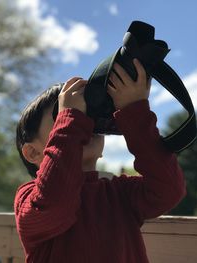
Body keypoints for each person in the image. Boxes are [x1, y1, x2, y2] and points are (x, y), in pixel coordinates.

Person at [14, 58, 186, 263]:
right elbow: (56, 203)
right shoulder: (28, 198)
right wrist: (71, 119)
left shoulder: (120, 193)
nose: (84, 123)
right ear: (33, 153)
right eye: (61, 117)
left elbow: (168, 190)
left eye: (90, 116)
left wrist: (134, 112)